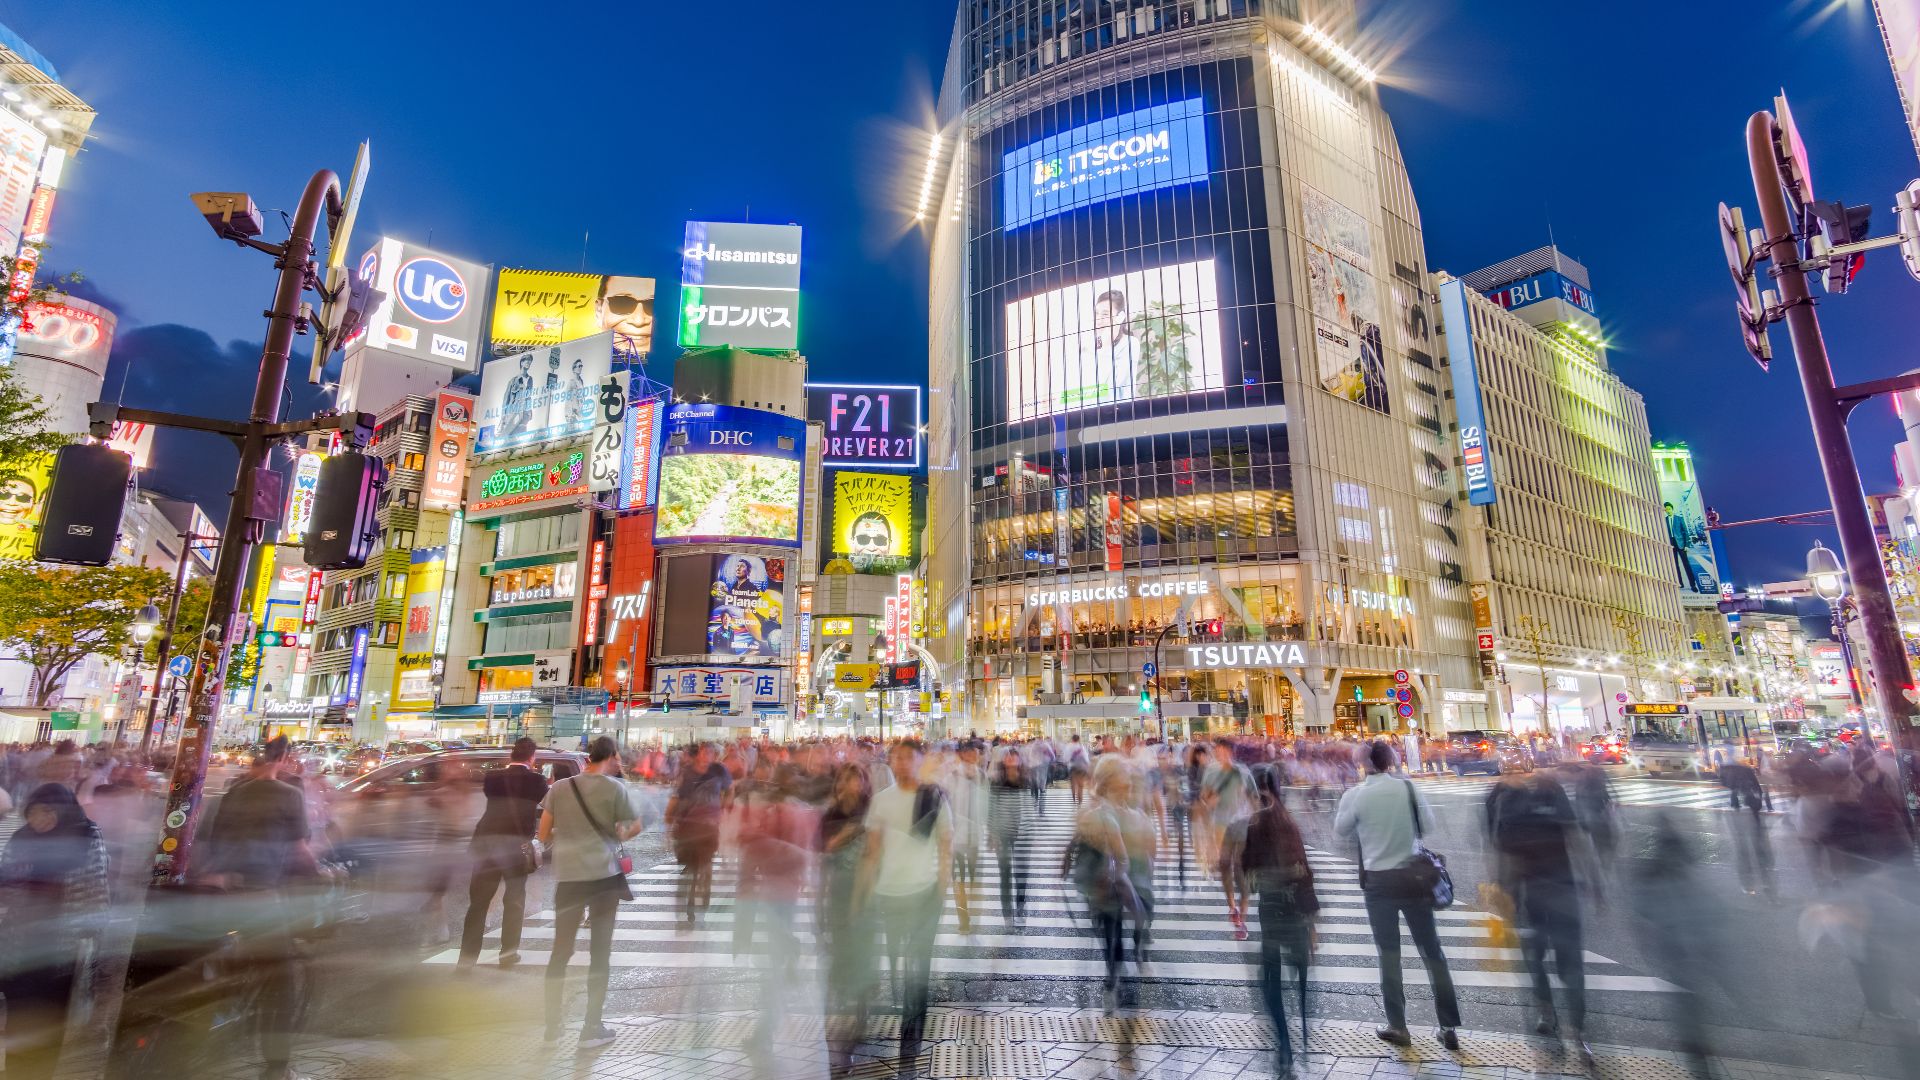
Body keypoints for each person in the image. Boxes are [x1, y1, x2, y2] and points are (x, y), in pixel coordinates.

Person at [195, 737, 328, 1080]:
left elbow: (212, 839)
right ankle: (277, 1067)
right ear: (284, 758)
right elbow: (300, 850)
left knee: (226, 963)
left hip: (219, 891)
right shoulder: (289, 795)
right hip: (259, 896)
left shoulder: (234, 793)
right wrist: (323, 874)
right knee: (280, 982)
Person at [1334, 740, 1462, 1049]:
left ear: (1364, 765)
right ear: (1390, 761)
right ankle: (1448, 1027)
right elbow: (1428, 825)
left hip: (1379, 884)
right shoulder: (1408, 789)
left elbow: (1340, 830)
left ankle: (1398, 1026)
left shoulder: (1356, 796)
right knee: (1432, 951)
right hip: (1413, 878)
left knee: (1389, 954)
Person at [857, 741, 970, 1073]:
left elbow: (946, 846)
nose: (903, 762)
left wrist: (942, 887)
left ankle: (911, 1044)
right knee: (898, 958)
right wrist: (861, 894)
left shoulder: (932, 798)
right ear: (891, 760)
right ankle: (903, 1003)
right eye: (898, 757)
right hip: (890, 893)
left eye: (910, 757)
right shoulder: (881, 801)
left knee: (918, 968)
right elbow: (872, 851)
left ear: (920, 761)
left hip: (923, 893)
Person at [0, 784, 109, 1080]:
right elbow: (6, 882)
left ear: (62, 810)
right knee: (20, 1016)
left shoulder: (87, 836)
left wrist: (90, 937)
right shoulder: (22, 838)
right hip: (19, 944)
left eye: (47, 811)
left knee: (49, 1019)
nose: (39, 819)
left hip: (60, 948)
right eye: (33, 813)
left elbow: (95, 891)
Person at [538, 737, 640, 1049]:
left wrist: (568, 832)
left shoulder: (560, 788)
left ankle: (552, 1027)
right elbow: (633, 826)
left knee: (560, 951)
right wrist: (618, 833)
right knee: (600, 952)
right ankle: (591, 1027)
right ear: (610, 757)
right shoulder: (615, 788)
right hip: (603, 878)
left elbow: (543, 834)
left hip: (568, 879)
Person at [1489, 770, 1590, 1066]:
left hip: (1533, 895)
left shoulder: (1508, 800)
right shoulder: (1552, 791)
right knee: (1569, 966)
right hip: (1562, 890)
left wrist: (1504, 894)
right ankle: (1577, 1032)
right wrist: (1592, 880)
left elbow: (1504, 854)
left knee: (1535, 956)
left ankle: (1548, 1011)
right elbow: (1575, 836)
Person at [1244, 765, 1317, 1078]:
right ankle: (1301, 1034)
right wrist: (1313, 920)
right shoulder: (1289, 821)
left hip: (1272, 910)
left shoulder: (1256, 822)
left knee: (1269, 979)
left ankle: (1284, 1045)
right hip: (1297, 910)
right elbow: (1305, 870)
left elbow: (1249, 876)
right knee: (1299, 973)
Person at [457, 738, 550, 968]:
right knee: (515, 899)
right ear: (532, 757)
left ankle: (466, 959)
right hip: (515, 847)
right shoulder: (538, 781)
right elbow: (543, 804)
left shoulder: (493, 778)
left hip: (486, 843)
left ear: (511, 755)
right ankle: (508, 955)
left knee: (478, 902)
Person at [820, 763, 877, 1077]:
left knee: (862, 949)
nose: (850, 785)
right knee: (841, 951)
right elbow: (822, 851)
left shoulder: (873, 811)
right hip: (838, 893)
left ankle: (859, 1007)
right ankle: (850, 1001)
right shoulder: (830, 815)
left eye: (856, 779)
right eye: (845, 779)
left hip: (867, 892)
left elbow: (879, 850)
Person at [666, 742, 731, 928]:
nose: (706, 756)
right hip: (687, 826)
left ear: (714, 755)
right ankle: (688, 896)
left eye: (710, 753)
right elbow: (677, 796)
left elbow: (730, 789)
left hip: (710, 826)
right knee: (688, 865)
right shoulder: (687, 772)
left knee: (706, 862)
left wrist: (724, 809)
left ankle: (704, 886)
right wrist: (669, 822)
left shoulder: (720, 770)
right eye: (703, 752)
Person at [1201, 739, 1256, 940]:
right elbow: (1204, 797)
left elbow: (1254, 798)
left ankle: (1242, 920)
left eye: (1223, 750)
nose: (1219, 754)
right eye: (1217, 751)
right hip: (1220, 825)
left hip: (1241, 825)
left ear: (1230, 752)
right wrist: (1209, 801)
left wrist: (1257, 824)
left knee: (1240, 871)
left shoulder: (1243, 772)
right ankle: (1232, 906)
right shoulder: (1211, 772)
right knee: (1224, 866)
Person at [988, 745, 1033, 926]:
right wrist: (992, 834)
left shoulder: (1025, 780)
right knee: (1005, 874)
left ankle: (1020, 907)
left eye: (1014, 756)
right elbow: (991, 810)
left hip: (1023, 834)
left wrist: (1031, 831)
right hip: (1003, 833)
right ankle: (1007, 915)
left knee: (1021, 874)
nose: (1011, 759)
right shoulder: (996, 783)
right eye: (1008, 756)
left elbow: (1029, 807)